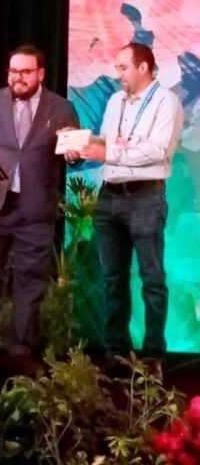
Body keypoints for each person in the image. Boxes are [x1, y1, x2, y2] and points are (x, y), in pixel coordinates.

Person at [70, 42, 184, 373]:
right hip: (110, 196)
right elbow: (108, 142)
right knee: (112, 278)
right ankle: (116, 352)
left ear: (143, 67)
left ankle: (153, 355)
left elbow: (157, 150)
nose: (117, 74)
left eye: (123, 68)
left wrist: (108, 153)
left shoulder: (166, 102)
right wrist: (80, 146)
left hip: (145, 197)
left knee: (152, 278)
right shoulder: (115, 101)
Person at [0, 45, 80, 369]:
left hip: (36, 210)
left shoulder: (62, 108)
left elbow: (73, 156)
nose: (17, 77)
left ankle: (20, 353)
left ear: (40, 73)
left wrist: (74, 152)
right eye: (13, 71)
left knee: (30, 282)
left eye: (25, 72)